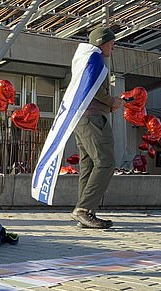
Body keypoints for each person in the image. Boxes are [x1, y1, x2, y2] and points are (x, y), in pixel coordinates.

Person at [71, 27, 124, 229]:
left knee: (89, 165)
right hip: (93, 118)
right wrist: (112, 101)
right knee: (106, 162)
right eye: (112, 43)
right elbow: (93, 88)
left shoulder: (84, 58)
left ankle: (85, 212)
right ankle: (84, 210)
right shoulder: (95, 59)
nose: (114, 47)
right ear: (102, 43)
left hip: (81, 118)